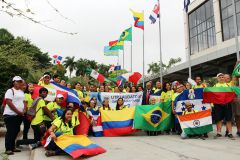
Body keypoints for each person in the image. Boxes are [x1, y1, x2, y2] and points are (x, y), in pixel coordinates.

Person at [3, 76, 25, 155]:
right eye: (17, 81)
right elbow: (9, 102)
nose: (19, 83)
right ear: (13, 82)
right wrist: (18, 111)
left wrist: (23, 110)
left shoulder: (21, 91)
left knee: (16, 131)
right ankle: (8, 148)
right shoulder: (10, 90)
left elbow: (23, 102)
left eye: (20, 81)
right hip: (10, 115)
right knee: (10, 131)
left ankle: (12, 147)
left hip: (19, 115)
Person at [214, 73, 234, 139]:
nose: (221, 78)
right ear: (217, 79)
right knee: (218, 119)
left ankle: (230, 133)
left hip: (227, 104)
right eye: (220, 77)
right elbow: (212, 95)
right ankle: (218, 133)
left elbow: (232, 93)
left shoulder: (228, 85)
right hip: (218, 105)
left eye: (222, 77)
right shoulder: (215, 86)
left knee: (228, 119)